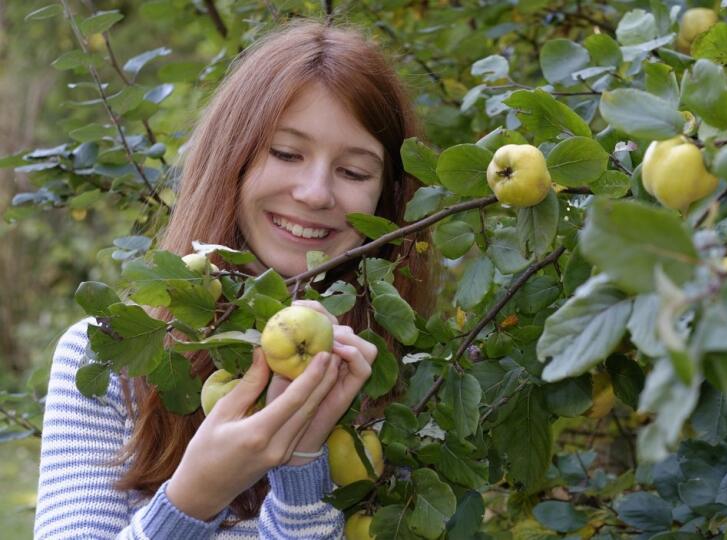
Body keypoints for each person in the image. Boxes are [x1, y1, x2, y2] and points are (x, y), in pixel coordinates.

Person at [34, 18, 434, 538]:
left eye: (354, 172)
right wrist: (195, 496)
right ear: (232, 160)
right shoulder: (110, 358)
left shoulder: (404, 385)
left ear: (387, 200)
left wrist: (302, 464)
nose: (315, 194)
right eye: (286, 153)